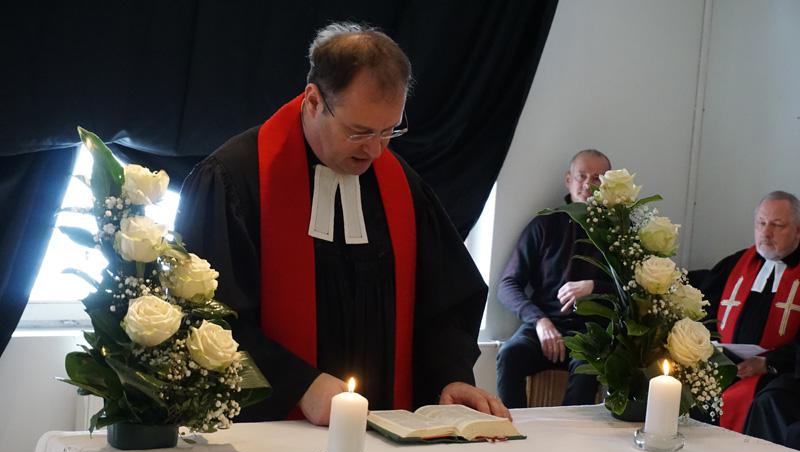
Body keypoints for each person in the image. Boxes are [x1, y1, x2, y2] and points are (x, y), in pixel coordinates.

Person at [175, 22, 509, 428]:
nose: (375, 151)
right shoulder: (234, 180)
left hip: (383, 427)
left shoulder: (401, 186)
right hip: (271, 432)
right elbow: (208, 317)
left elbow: (442, 303)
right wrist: (298, 385)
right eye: (359, 132)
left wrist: (450, 376)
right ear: (314, 101)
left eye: (389, 131)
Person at [495, 149, 613, 408]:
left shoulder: (618, 231)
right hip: (544, 324)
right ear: (568, 179)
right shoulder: (545, 224)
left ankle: (569, 433)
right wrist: (539, 321)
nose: (588, 185)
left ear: (609, 184)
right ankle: (511, 426)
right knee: (509, 354)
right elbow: (507, 285)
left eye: (597, 178)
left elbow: (633, 290)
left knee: (587, 370)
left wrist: (593, 287)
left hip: (591, 331)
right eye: (582, 176)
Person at [693, 191, 800, 436]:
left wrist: (769, 363)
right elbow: (703, 311)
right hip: (729, 362)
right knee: (689, 385)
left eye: (777, 225)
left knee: (769, 402)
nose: (766, 233)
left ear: (798, 231)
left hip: (781, 371)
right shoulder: (736, 263)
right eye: (761, 223)